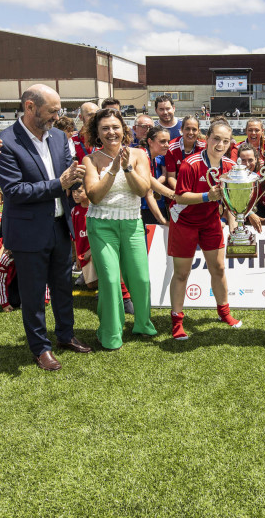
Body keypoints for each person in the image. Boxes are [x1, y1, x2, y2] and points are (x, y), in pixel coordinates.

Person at [0, 84, 92, 371]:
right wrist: (58, 184)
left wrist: (75, 184)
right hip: (28, 231)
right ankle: (40, 347)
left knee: (62, 286)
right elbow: (14, 191)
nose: (57, 116)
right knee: (33, 294)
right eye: (52, 111)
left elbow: (67, 174)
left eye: (58, 110)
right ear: (30, 107)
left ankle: (65, 335)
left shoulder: (59, 137)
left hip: (61, 225)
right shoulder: (5, 142)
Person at [82, 108, 157, 350]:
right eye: (105, 128)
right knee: (111, 280)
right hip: (101, 225)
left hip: (132, 223)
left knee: (141, 279)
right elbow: (94, 196)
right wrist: (113, 169)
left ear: (123, 129)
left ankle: (143, 323)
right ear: (97, 133)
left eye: (115, 127)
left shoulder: (138, 154)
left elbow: (142, 189)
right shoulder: (90, 160)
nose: (111, 132)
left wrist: (127, 168)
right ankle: (110, 333)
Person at [167, 119, 248, 340]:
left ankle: (224, 313)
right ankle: (177, 320)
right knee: (182, 273)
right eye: (216, 139)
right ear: (207, 139)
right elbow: (179, 196)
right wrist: (207, 196)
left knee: (219, 268)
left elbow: (231, 199)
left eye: (225, 141)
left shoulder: (230, 167)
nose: (220, 144)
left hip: (210, 222)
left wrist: (233, 220)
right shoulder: (190, 164)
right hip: (184, 222)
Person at [142, 124, 173, 226]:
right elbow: (149, 191)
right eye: (162, 141)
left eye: (168, 141)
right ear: (150, 142)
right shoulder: (142, 155)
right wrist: (176, 195)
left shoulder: (154, 157)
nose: (167, 145)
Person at [165, 115, 205, 188]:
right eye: (187, 129)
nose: (190, 132)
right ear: (181, 129)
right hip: (178, 189)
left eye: (194, 129)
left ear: (198, 131)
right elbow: (171, 177)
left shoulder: (204, 147)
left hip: (197, 188)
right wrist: (182, 192)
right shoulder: (171, 148)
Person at [237, 142, 265, 223]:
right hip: (239, 219)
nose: (247, 164)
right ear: (238, 160)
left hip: (260, 219)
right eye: (243, 160)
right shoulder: (233, 178)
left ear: (256, 159)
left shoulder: (262, 178)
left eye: (250, 160)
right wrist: (250, 213)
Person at [70, 187, 97, 290]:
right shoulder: (74, 211)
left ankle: (106, 287)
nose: (75, 194)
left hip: (95, 252)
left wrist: (92, 251)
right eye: (73, 192)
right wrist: (77, 258)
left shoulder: (96, 209)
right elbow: (75, 237)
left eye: (79, 191)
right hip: (82, 253)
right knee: (90, 285)